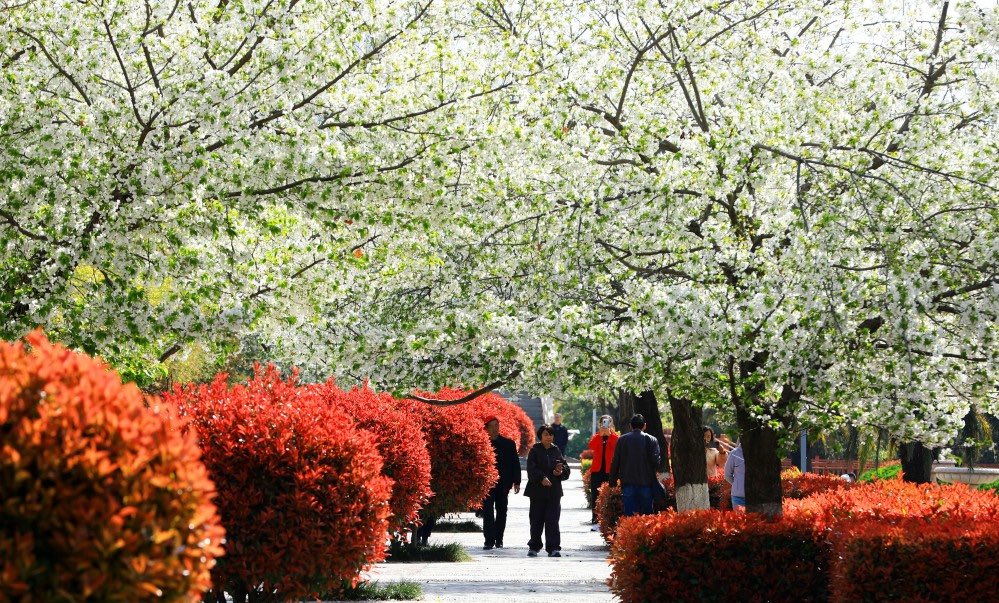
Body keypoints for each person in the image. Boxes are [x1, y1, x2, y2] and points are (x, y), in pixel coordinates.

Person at [524, 424, 570, 557]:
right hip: (537, 492)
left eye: (550, 434)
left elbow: (565, 469)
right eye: (546, 434)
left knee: (553, 520)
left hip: (554, 492)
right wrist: (541, 478)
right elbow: (531, 469)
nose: (549, 437)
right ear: (540, 436)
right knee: (536, 520)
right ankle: (534, 546)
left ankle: (554, 547)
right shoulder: (534, 450)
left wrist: (560, 472)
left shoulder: (556, 450)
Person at [481, 415, 521, 550]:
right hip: (487, 484)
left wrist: (517, 481)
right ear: (486, 428)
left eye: (496, 425)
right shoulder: (482, 444)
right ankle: (488, 540)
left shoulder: (509, 444)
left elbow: (515, 463)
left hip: (504, 483)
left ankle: (499, 538)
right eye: (491, 426)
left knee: (502, 511)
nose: (494, 429)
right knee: (487, 511)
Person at [609, 414, 660, 517]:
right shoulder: (652, 440)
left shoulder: (622, 440)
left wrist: (612, 481)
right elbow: (656, 461)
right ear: (644, 426)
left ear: (630, 426)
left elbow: (615, 462)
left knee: (630, 517)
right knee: (647, 517)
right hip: (646, 483)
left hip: (628, 483)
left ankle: (631, 533)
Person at [586, 415, 619, 528]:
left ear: (611, 424)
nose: (604, 425)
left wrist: (609, 436)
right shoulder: (596, 436)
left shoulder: (615, 437)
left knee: (610, 495)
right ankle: (595, 519)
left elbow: (616, 447)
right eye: (603, 423)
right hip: (597, 470)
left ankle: (610, 521)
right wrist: (600, 436)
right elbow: (591, 446)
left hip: (610, 470)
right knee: (595, 495)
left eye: (607, 422)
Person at [724, 440, 746, 511]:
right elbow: (727, 474)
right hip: (738, 497)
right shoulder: (734, 453)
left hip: (756, 497)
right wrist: (737, 484)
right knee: (739, 521)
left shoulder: (758, 453)